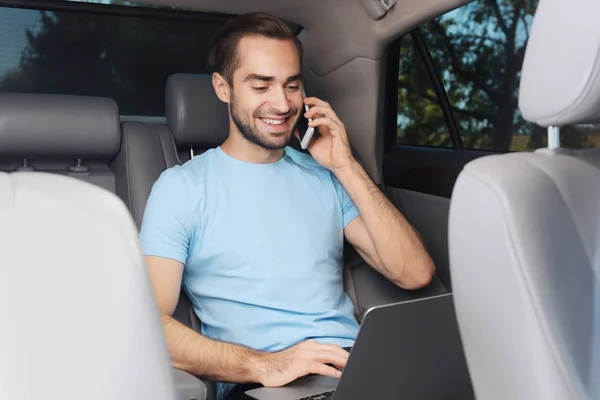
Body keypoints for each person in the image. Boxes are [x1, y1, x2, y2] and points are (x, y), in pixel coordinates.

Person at [139, 12, 436, 400]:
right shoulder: (181, 188)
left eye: (292, 85)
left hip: (358, 370)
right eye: (260, 86)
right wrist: (267, 363)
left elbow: (414, 273)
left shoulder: (325, 174)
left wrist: (345, 166)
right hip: (263, 383)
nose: (281, 104)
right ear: (222, 88)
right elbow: (148, 324)